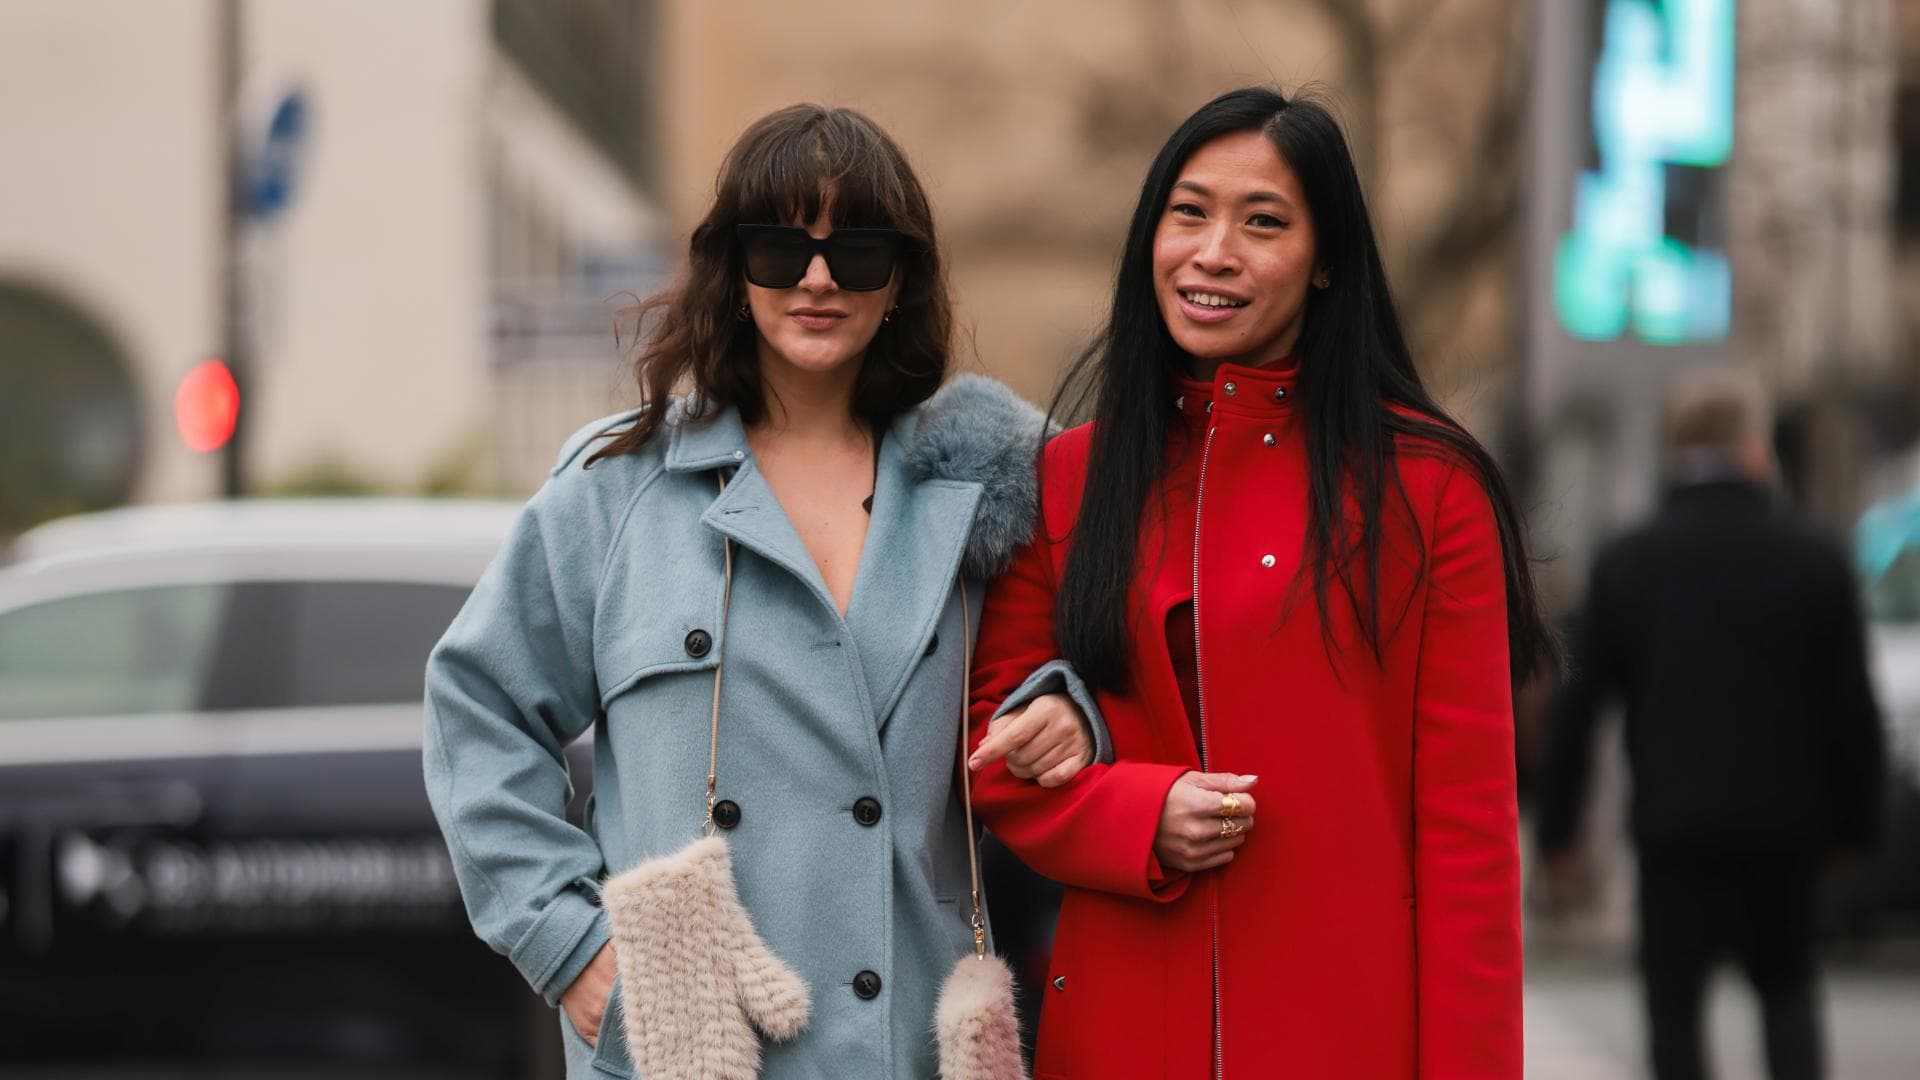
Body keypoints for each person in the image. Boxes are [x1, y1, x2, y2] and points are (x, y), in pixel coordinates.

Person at [423, 104, 1098, 1080]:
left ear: (899, 277)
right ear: (733, 268)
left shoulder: (980, 490)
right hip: (690, 1045)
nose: (818, 279)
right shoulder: (619, 489)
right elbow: (477, 707)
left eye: (856, 251)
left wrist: (1067, 712)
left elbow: (1091, 672)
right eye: (781, 248)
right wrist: (568, 945)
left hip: (909, 1041)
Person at [962, 86, 1556, 1078]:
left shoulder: (1428, 488)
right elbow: (989, 749)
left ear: (1326, 260)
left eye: (1263, 222)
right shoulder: (1068, 477)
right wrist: (1139, 815)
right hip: (1120, 1034)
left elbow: (1469, 845)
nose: (1213, 252)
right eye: (1188, 213)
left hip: (1348, 1036)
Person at [1537, 369, 1885, 1080]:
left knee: (1674, 1012)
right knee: (1788, 996)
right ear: (1755, 449)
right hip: (1786, 830)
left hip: (1675, 831)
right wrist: (1857, 826)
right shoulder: (1816, 557)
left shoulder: (1629, 559)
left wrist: (1559, 832)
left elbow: (1579, 707)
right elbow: (1850, 707)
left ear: (1677, 451)